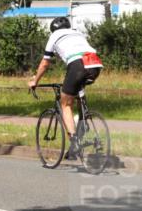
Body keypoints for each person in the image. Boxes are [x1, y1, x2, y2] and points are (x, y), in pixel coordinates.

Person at [27, 17, 103, 151]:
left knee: (65, 104)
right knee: (78, 91)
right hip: (94, 63)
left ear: (53, 30)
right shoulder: (77, 32)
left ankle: (74, 140)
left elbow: (45, 63)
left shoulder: (54, 36)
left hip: (77, 65)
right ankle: (83, 121)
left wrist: (35, 81)